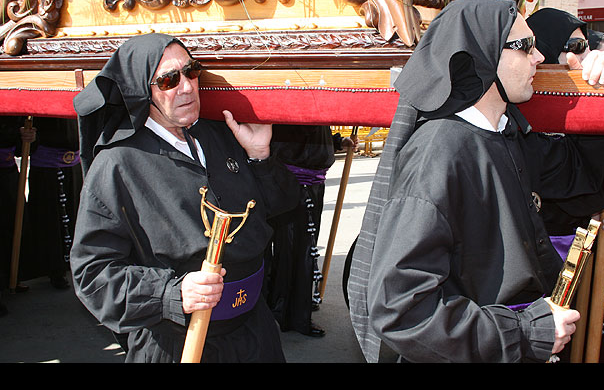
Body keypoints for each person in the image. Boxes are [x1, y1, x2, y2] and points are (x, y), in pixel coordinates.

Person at [347, 0, 604, 363]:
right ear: (482, 52)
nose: (538, 58)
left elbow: (586, 176)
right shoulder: (439, 154)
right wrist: (525, 332)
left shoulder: (506, 133)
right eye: (525, 46)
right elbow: (401, 308)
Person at [70, 33, 300, 363]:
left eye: (192, 71)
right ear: (142, 92)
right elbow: (93, 276)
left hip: (255, 335)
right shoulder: (118, 164)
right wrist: (170, 293)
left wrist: (259, 156)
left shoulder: (223, 134)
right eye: (168, 79)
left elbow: (281, 207)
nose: (188, 86)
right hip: (178, 344)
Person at [527, 8, 604, 362]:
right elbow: (577, 176)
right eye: (575, 45)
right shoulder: (515, 115)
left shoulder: (577, 101)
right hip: (534, 274)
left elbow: (601, 178)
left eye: (587, 43)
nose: (586, 54)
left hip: (585, 257)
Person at [264, 125, 356, 337]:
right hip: (294, 185)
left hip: (310, 182)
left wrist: (335, 141)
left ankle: (298, 304)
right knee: (296, 250)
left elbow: (314, 129)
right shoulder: (296, 97)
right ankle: (291, 314)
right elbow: (295, 130)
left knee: (304, 247)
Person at [20, 117, 82, 290]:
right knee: (49, 220)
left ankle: (76, 263)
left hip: (74, 165)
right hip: (47, 165)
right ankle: (53, 268)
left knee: (76, 214)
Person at [0, 117, 35, 315]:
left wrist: (26, 137)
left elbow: (19, 147)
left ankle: (10, 279)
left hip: (7, 174)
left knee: (12, 226)